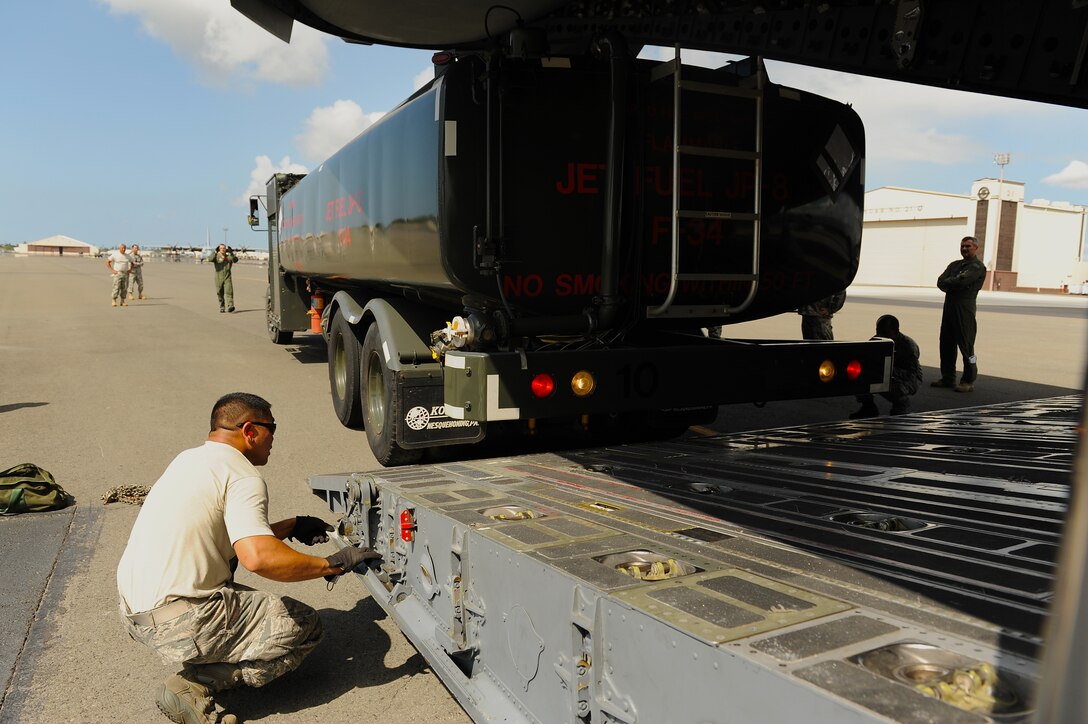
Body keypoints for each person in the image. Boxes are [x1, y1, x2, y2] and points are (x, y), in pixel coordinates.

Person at [116, 392, 380, 724]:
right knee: (304, 624)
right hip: (178, 621)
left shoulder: (189, 459)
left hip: (133, 611)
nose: (274, 438)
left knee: (234, 594)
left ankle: (206, 655)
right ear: (250, 430)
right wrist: (333, 564)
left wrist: (291, 526)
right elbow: (258, 558)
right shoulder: (243, 475)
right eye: (272, 427)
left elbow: (219, 532)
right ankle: (192, 686)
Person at [933, 235, 986, 392]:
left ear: (976, 248)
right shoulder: (954, 265)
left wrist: (952, 282)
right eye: (962, 246)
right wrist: (953, 282)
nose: (964, 249)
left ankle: (969, 379)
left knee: (967, 347)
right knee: (946, 343)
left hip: (965, 309)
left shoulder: (977, 267)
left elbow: (962, 281)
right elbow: (940, 281)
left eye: (968, 246)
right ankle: (948, 378)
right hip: (949, 308)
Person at [850, 314, 923, 418]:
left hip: (909, 378)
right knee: (859, 376)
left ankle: (901, 406)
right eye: (878, 331)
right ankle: (868, 407)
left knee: (891, 385)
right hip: (884, 372)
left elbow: (911, 373)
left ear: (896, 330)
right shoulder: (876, 341)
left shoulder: (908, 346)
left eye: (884, 332)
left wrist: (886, 370)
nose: (880, 335)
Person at [213, 244, 238, 312]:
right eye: (221, 248)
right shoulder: (216, 257)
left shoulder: (228, 257)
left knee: (229, 291)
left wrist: (232, 253)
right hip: (218, 277)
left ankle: (230, 306)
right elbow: (209, 259)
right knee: (219, 292)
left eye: (224, 248)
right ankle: (222, 306)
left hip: (227, 277)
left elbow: (235, 260)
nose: (223, 249)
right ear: (219, 249)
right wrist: (214, 252)